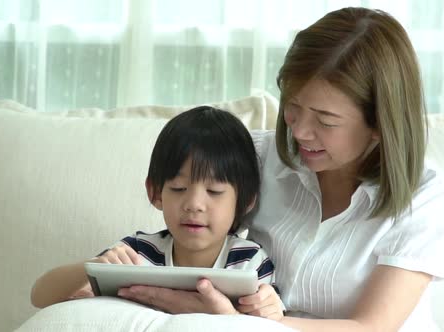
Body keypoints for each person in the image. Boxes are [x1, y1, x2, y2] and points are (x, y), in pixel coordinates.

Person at [115, 7, 444, 332]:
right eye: (293, 106)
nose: (300, 132)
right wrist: (110, 274)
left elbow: (370, 327)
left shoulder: (422, 195)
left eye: (325, 120)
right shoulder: (260, 156)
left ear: (379, 124)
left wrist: (236, 321)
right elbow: (187, 241)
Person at [30, 106, 284, 321]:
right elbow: (40, 295)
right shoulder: (138, 254)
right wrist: (95, 268)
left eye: (214, 191)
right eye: (179, 188)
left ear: (247, 200)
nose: (194, 204)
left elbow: (266, 323)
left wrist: (270, 309)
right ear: (155, 193)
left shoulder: (249, 263)